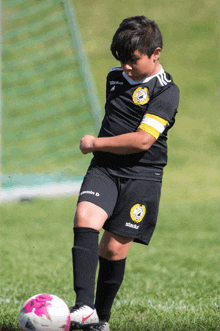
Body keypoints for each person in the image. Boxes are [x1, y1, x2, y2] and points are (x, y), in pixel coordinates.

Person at [70, 15, 179, 331]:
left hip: (143, 176)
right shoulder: (114, 77)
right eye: (121, 60)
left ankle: (100, 320)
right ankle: (83, 307)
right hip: (105, 167)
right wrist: (100, 151)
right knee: (85, 217)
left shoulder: (167, 92)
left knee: (114, 248)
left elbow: (144, 140)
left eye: (133, 60)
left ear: (155, 53)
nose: (126, 67)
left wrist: (95, 142)